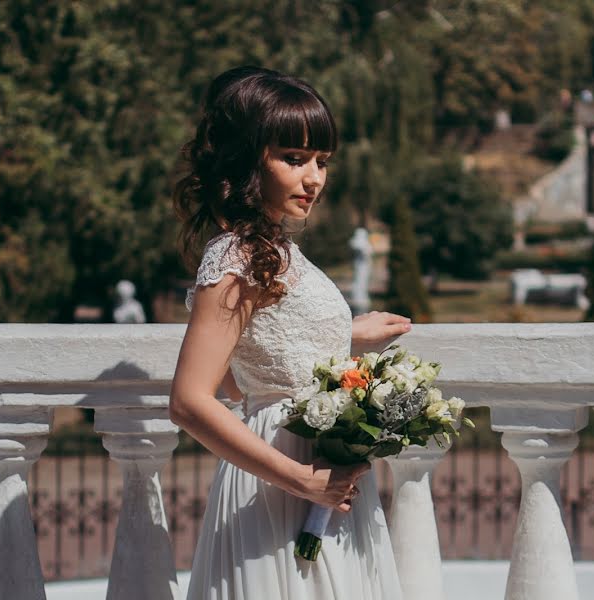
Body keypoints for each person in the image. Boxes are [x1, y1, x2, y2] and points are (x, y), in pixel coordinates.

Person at [169, 66, 411, 600]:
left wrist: (339, 336)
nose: (315, 179)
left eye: (322, 161)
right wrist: (299, 480)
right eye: (294, 158)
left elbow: (249, 367)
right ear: (248, 158)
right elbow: (190, 401)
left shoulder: (272, 251)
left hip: (314, 476)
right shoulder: (237, 256)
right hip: (285, 478)